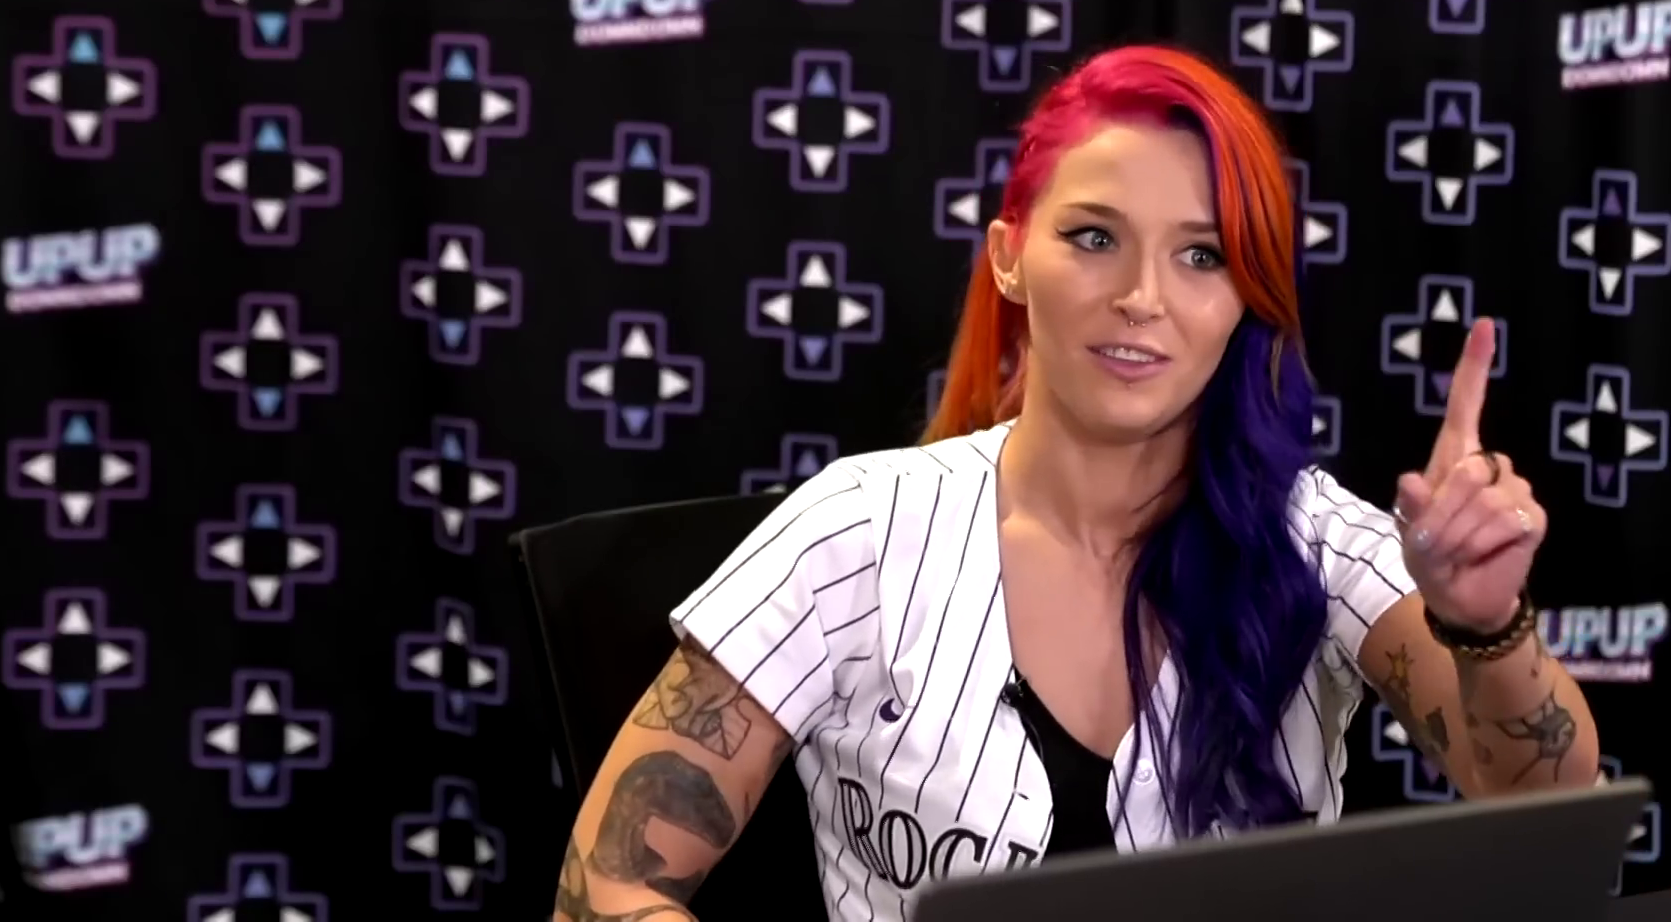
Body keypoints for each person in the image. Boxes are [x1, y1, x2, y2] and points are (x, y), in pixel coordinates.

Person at [552, 45, 1601, 922]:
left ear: (1249, 294)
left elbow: (1546, 811)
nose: (1142, 296)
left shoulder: (1318, 540)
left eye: (1202, 256)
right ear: (1010, 257)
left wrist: (1486, 626)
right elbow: (607, 889)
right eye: (1094, 238)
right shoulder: (857, 532)